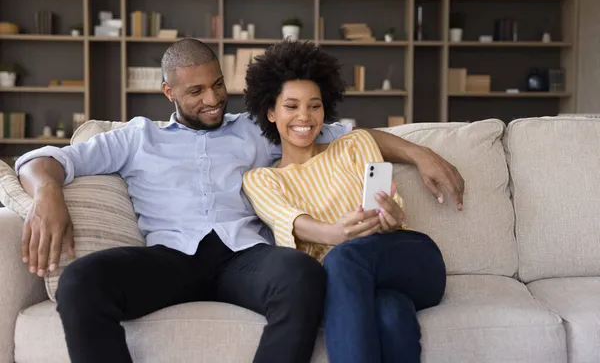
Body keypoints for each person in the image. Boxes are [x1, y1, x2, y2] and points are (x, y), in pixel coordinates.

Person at [15, 39, 463, 363]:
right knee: (79, 282)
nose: (211, 100)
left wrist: (418, 152)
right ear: (169, 92)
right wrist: (48, 192)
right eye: (195, 92)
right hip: (169, 258)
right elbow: (45, 159)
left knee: (301, 272)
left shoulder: (256, 125)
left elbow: (347, 137)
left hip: (244, 258)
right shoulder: (137, 137)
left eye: (216, 86)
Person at [242, 41, 448, 363]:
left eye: (314, 105)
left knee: (344, 258)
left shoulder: (355, 144)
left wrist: (392, 218)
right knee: (390, 312)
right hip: (351, 279)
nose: (305, 117)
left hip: (410, 260)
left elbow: (389, 215)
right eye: (291, 106)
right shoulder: (262, 179)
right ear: (270, 112)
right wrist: (337, 233)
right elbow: (294, 223)